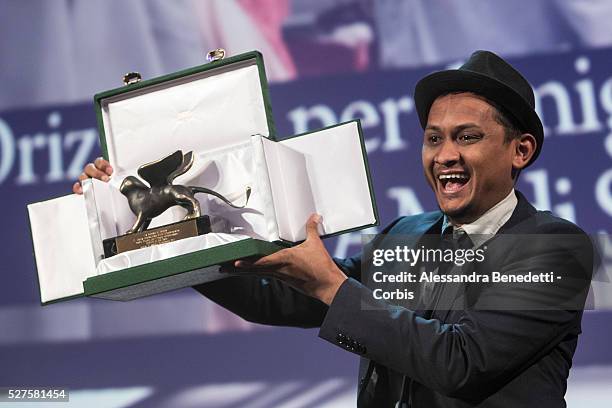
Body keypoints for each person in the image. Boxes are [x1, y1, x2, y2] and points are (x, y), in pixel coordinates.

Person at [77, 50, 593, 407]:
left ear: (520, 150)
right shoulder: (404, 236)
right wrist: (173, 234)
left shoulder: (557, 248)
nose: (444, 156)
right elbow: (277, 298)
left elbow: (461, 362)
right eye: (433, 139)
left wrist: (329, 282)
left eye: (468, 137)